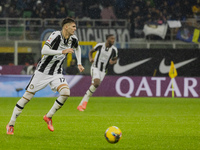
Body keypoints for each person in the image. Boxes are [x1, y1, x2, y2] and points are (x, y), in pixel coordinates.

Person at [6, 17, 85, 135]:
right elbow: (44, 50)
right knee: (26, 98)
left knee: (65, 93)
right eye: (73, 26)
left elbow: (77, 48)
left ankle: (48, 116)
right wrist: (61, 52)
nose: (75, 28)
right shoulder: (56, 35)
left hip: (56, 72)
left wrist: (79, 63)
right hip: (42, 72)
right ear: (66, 27)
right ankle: (11, 124)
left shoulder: (73, 39)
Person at [77, 34, 118, 111]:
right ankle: (84, 103)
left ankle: (81, 104)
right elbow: (91, 51)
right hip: (95, 67)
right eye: (111, 38)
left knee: (94, 86)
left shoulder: (114, 50)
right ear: (107, 39)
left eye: (114, 39)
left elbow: (115, 59)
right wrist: (90, 58)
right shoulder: (100, 45)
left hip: (103, 71)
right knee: (96, 83)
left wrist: (113, 62)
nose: (113, 40)